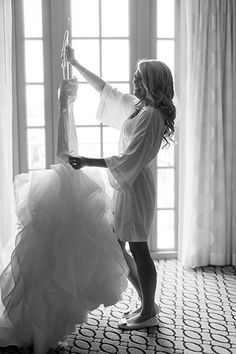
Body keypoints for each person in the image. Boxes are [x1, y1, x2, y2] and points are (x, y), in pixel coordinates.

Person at [0, 76, 128, 354]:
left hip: (68, 179)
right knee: (54, 263)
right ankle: (43, 327)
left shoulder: (67, 111)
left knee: (64, 261)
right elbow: (64, 151)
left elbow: (67, 147)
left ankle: (53, 323)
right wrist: (65, 104)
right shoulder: (64, 111)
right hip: (64, 182)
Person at [65, 45, 176, 330]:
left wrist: (87, 160)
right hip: (129, 185)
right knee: (117, 245)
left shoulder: (152, 115)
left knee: (138, 248)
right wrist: (75, 63)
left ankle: (148, 311)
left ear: (152, 83)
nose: (134, 82)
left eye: (139, 79)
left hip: (136, 188)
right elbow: (106, 91)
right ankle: (147, 304)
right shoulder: (140, 108)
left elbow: (129, 159)